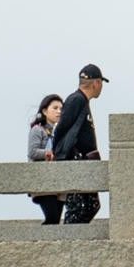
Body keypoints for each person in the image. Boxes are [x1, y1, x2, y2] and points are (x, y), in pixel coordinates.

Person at [48, 64, 108, 225]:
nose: (101, 87)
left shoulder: (82, 101)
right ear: (96, 83)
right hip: (76, 162)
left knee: (90, 205)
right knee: (78, 207)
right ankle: (68, 241)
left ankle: (73, 238)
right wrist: (59, 154)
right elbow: (60, 129)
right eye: (101, 83)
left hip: (85, 163)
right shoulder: (76, 100)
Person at [27, 93, 65, 223]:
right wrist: (48, 154)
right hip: (42, 180)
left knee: (55, 220)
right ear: (44, 110)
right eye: (55, 108)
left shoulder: (60, 131)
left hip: (57, 180)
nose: (59, 111)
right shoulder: (37, 130)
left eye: (61, 109)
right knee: (52, 218)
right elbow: (32, 152)